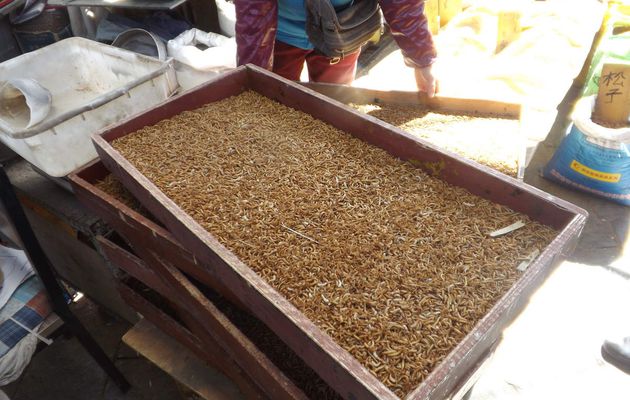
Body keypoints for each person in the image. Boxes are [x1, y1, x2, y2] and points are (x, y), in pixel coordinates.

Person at [234, 0, 438, 96]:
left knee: (335, 105)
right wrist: (254, 73)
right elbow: (253, 11)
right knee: (273, 101)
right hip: (280, 35)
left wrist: (421, 59)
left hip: (342, 34)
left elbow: (402, 4)